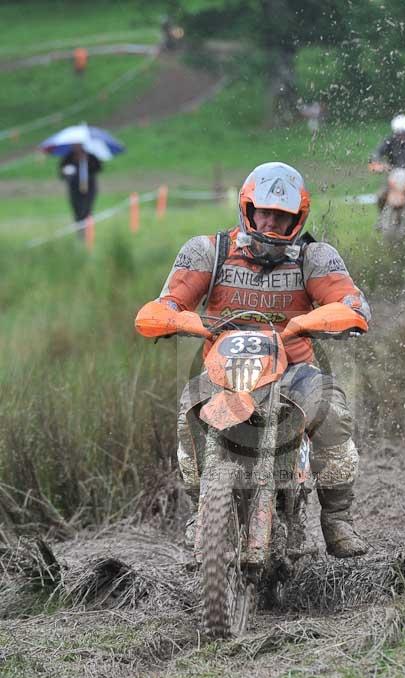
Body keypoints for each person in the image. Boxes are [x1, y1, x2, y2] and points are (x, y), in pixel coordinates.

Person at [146, 162, 371, 558]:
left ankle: (337, 519)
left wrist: (311, 321)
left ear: (297, 219)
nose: (270, 222)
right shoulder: (208, 251)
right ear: (246, 208)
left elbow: (352, 303)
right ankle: (203, 511)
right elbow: (166, 303)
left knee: (333, 413)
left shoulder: (313, 257)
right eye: (264, 212)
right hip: (225, 371)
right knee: (189, 411)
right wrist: (178, 320)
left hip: (295, 370)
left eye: (281, 216)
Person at [59, 143, 101, 225]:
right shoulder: (68, 157)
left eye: (78, 145)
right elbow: (61, 173)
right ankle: (80, 230)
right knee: (77, 209)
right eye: (74, 145)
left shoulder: (90, 156)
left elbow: (98, 168)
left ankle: (88, 230)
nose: (76, 147)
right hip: (74, 187)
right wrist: (66, 171)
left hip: (89, 187)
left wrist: (87, 160)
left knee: (87, 209)